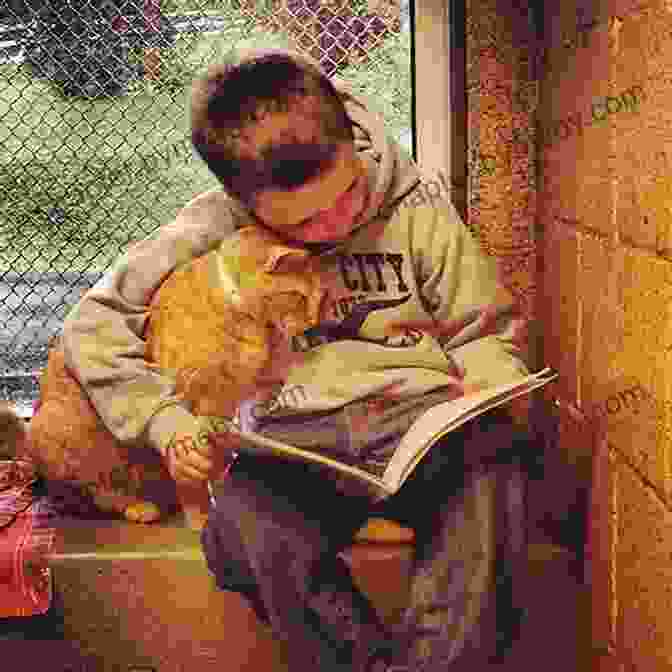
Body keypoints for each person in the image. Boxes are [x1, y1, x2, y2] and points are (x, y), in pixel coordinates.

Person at [61, 47, 533, 671]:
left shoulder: (420, 208)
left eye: (350, 193)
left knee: (494, 478)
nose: (340, 220)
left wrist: (492, 381)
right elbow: (92, 325)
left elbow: (483, 329)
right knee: (238, 527)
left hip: (416, 428)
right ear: (247, 204)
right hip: (296, 441)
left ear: (352, 146)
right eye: (308, 222)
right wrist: (165, 422)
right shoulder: (213, 223)